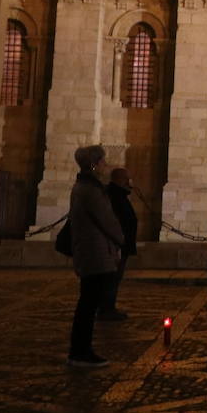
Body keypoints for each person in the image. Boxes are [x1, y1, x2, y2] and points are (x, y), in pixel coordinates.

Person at [66, 144, 124, 368]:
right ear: (94, 164)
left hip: (92, 250)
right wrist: (121, 239)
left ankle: (80, 350)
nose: (105, 165)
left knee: (88, 302)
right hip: (95, 252)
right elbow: (106, 220)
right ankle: (80, 352)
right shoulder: (91, 190)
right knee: (88, 303)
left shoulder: (85, 187)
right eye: (102, 161)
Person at [101, 167, 138, 320]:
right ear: (120, 180)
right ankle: (106, 309)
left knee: (115, 277)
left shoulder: (118, 194)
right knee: (112, 277)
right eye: (127, 179)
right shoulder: (114, 196)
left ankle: (108, 307)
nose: (130, 182)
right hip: (117, 245)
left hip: (121, 244)